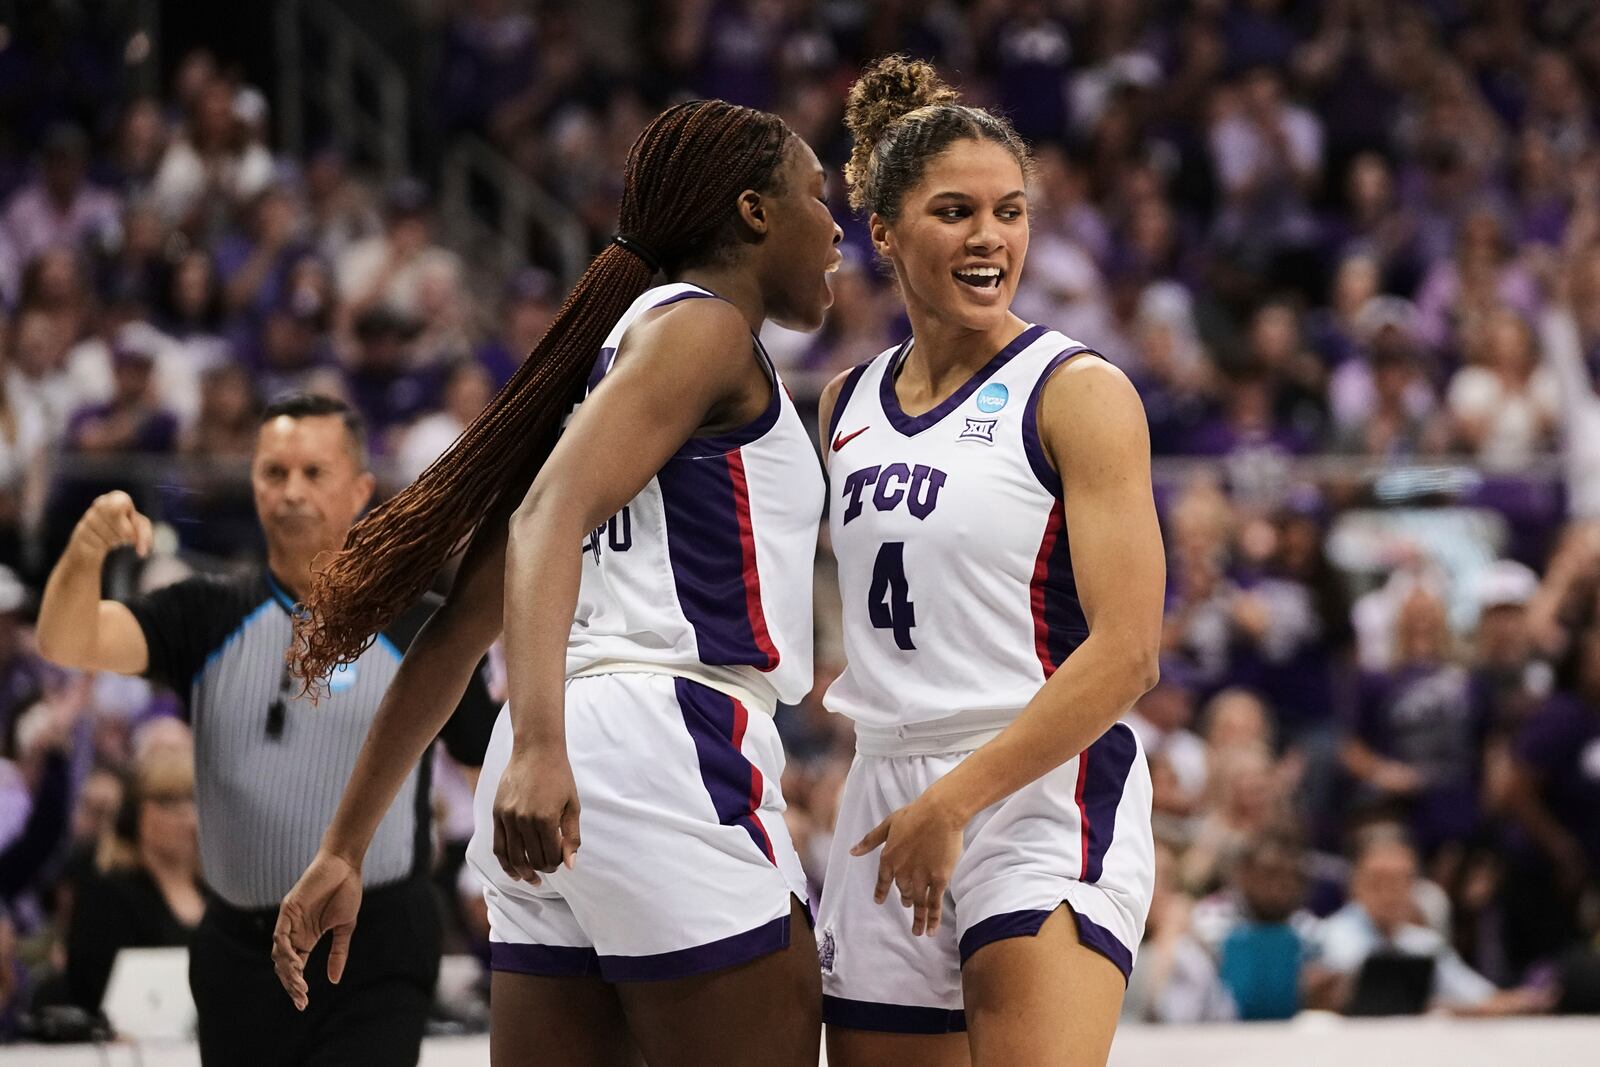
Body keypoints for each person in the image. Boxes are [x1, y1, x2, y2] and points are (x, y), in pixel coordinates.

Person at [271, 99, 843, 1067]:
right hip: (659, 746)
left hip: (558, 754)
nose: (836, 228)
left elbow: (456, 635)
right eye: (817, 197)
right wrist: (541, 743)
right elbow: (544, 519)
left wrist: (343, 843)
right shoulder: (702, 330)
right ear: (753, 213)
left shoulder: (602, 368)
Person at [816, 57, 1162, 1066]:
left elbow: (1130, 650)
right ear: (882, 230)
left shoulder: (1077, 390)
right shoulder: (843, 402)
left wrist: (956, 799)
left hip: (1035, 783)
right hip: (884, 788)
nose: (990, 237)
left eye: (1009, 212)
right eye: (956, 210)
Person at [33, 394, 497, 1066]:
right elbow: (66, 639)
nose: (291, 491)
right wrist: (84, 550)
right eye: (273, 472)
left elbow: (490, 764)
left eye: (314, 472)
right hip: (238, 954)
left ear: (361, 489)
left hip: (375, 947)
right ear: (251, 483)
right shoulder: (206, 612)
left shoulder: (419, 626)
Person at [63, 744, 203, 1011]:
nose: (187, 815)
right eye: (168, 800)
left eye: (193, 800)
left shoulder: (217, 894)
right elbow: (90, 987)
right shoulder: (107, 894)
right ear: (134, 814)